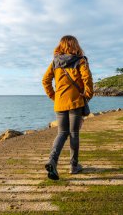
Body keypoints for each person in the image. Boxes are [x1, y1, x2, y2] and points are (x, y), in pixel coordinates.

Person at [42, 35, 93, 180]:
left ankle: (52, 160)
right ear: (75, 45)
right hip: (76, 102)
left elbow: (45, 81)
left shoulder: (55, 62)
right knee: (74, 133)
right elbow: (87, 78)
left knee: (62, 132)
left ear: (61, 46)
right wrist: (87, 95)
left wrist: (54, 97)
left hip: (60, 103)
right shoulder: (80, 60)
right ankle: (73, 166)